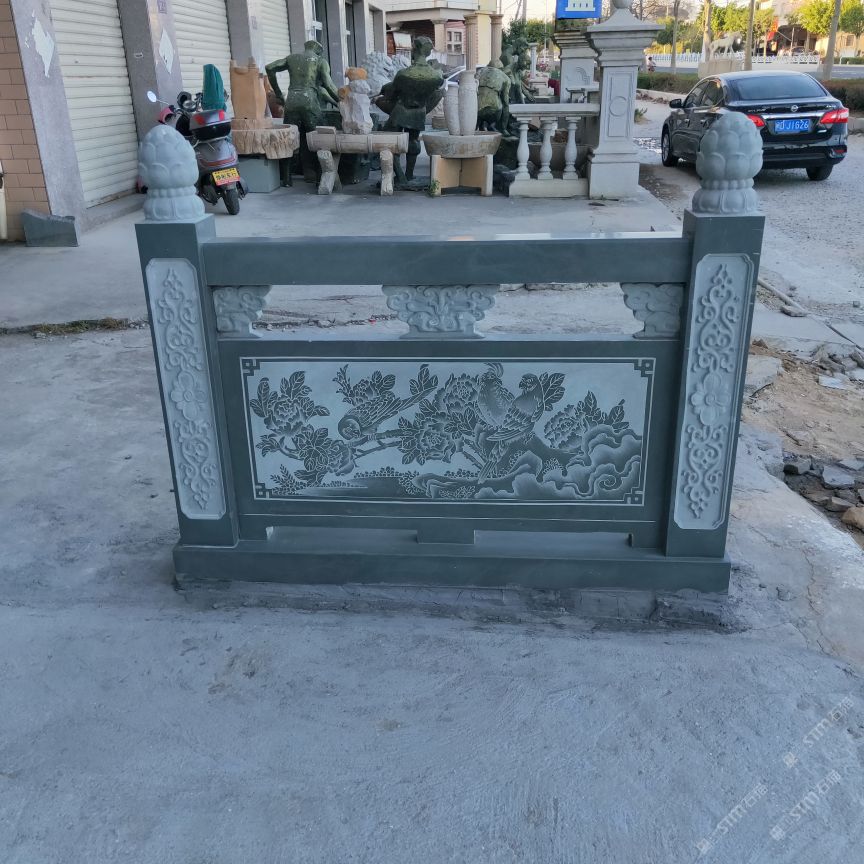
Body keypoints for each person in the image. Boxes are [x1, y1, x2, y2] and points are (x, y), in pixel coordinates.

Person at [266, 41, 340, 183]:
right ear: (318, 50)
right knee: (318, 139)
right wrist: (342, 100)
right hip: (309, 102)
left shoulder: (291, 58)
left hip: (292, 101)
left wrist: (278, 93)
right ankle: (320, 178)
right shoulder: (320, 61)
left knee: (288, 139)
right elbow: (329, 84)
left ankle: (286, 179)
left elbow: (270, 68)